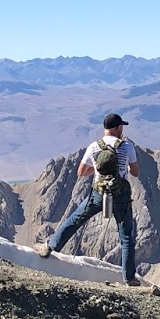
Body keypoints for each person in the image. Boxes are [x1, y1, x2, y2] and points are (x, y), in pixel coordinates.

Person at [34, 113, 141, 286]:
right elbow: (135, 172)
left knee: (76, 219)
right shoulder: (127, 147)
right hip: (120, 194)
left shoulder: (94, 147)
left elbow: (81, 172)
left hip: (99, 192)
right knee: (126, 236)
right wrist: (125, 165)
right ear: (118, 128)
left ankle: (50, 247)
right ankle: (128, 277)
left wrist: (97, 170)